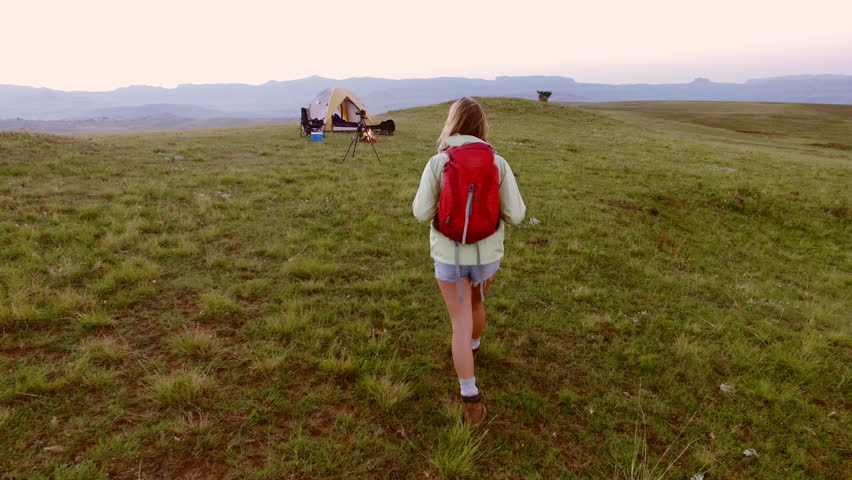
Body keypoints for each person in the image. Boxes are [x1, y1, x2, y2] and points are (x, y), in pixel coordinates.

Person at [412, 97, 526, 425]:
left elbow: (420, 213)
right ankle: (473, 349)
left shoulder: (439, 162)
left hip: (449, 256)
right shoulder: (497, 163)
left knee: (458, 322)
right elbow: (517, 215)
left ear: (452, 123)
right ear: (482, 126)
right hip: (487, 255)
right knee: (478, 300)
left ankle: (470, 396)